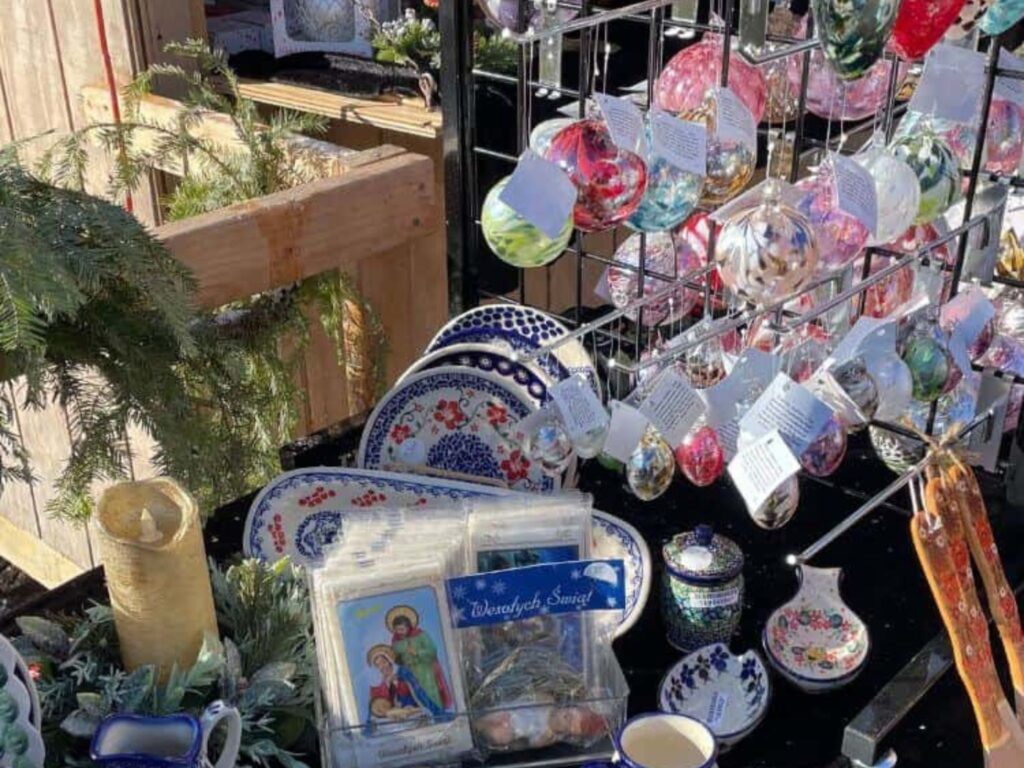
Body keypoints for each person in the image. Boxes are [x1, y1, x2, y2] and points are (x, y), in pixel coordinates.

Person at [387, 606, 453, 713]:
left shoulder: (421, 635)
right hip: (408, 672)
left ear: (408, 627)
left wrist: (417, 652)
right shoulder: (395, 641)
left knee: (429, 694)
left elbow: (432, 650)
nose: (400, 632)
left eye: (402, 629)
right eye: (397, 629)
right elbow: (396, 656)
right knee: (411, 696)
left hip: (424, 671)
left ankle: (438, 714)